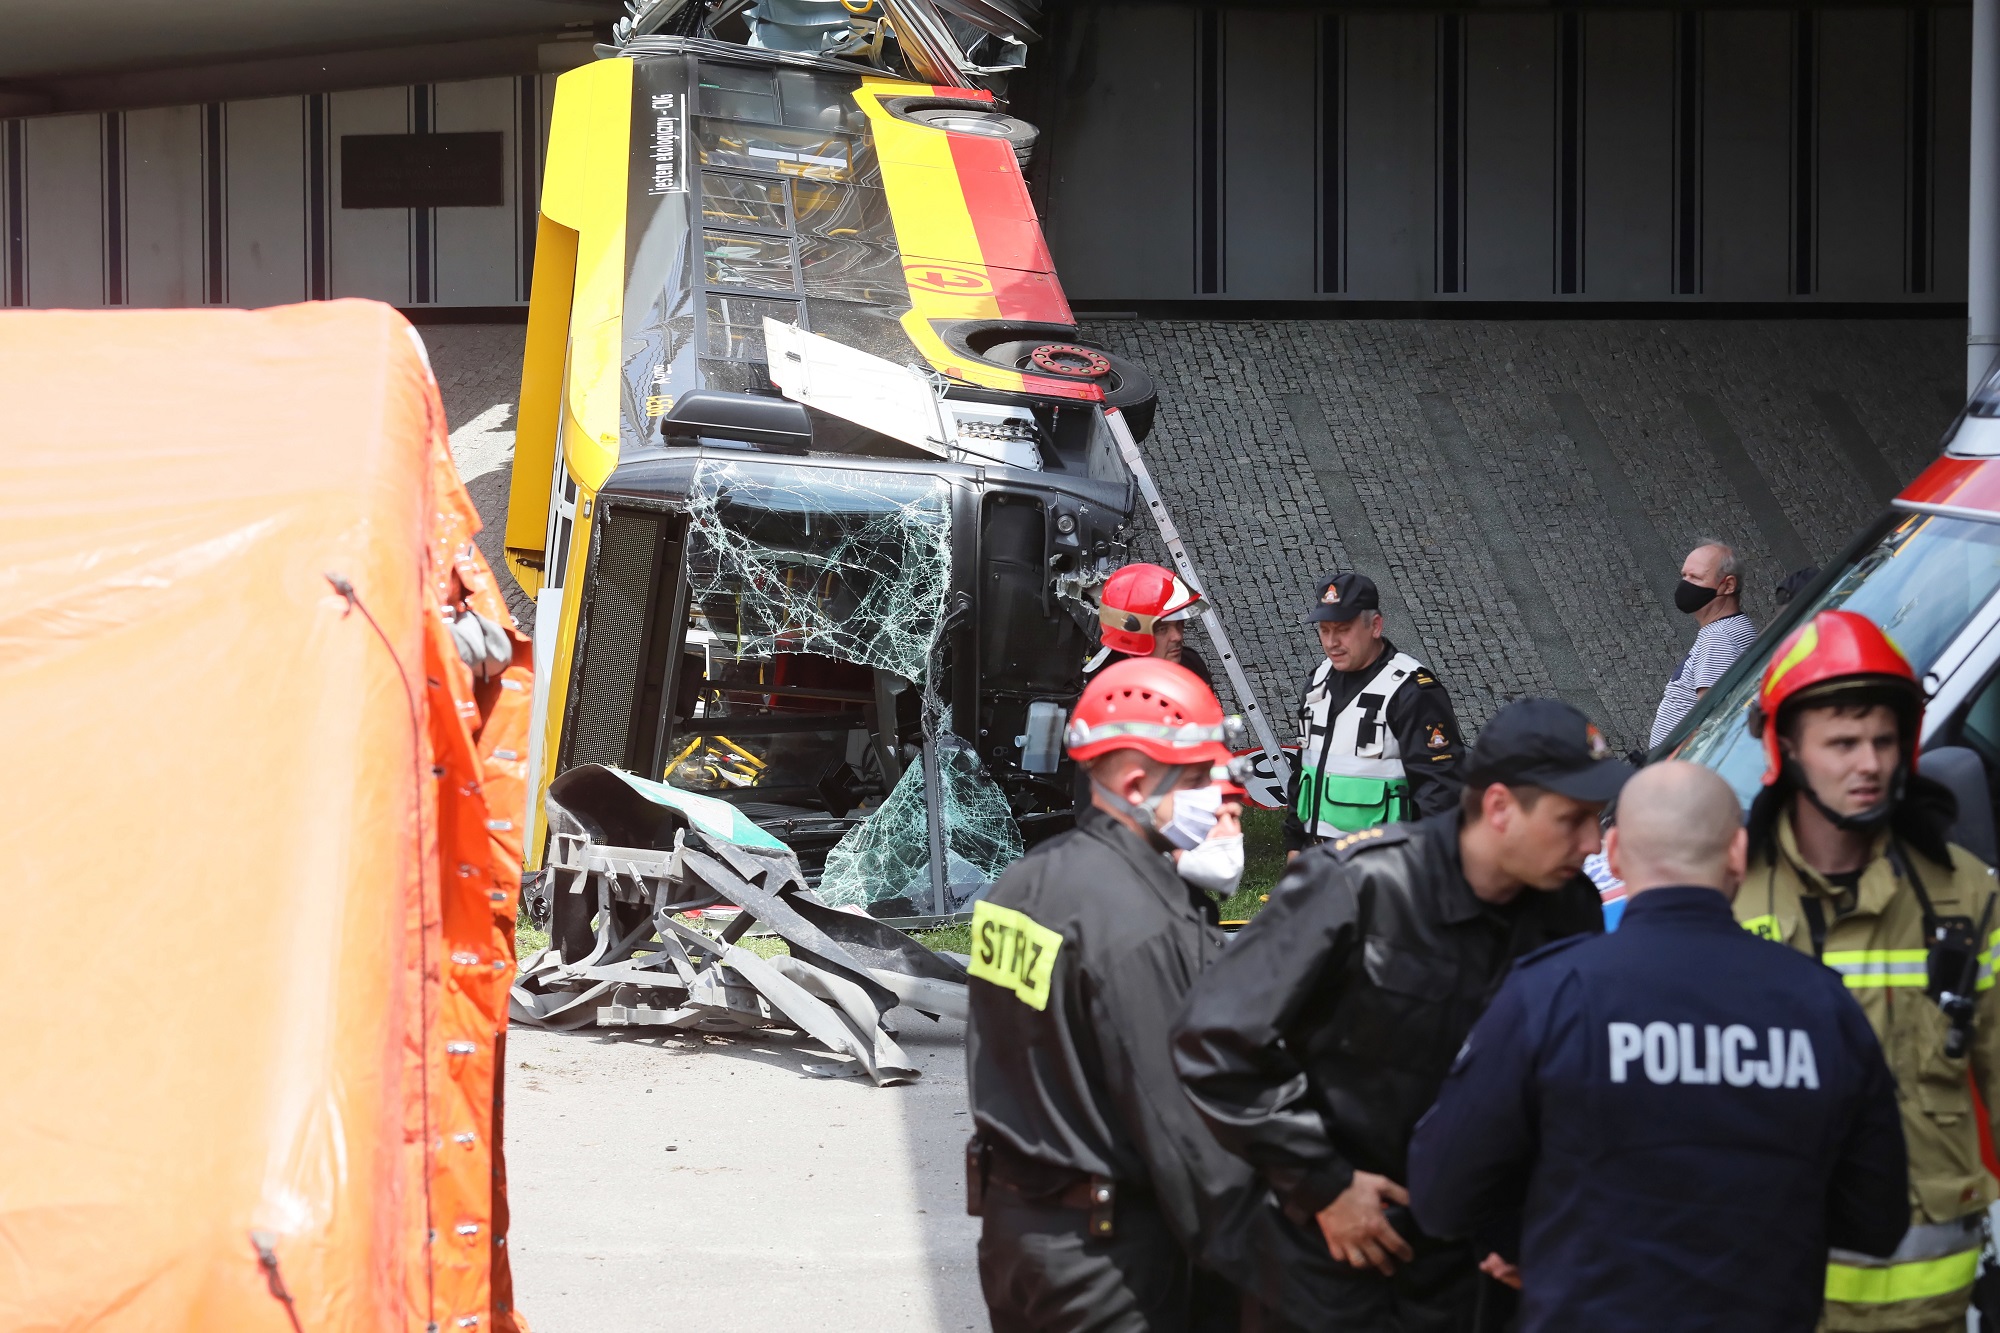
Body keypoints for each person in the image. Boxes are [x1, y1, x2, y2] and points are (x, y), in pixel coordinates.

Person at [1406, 761, 1908, 1331]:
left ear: (1614, 853)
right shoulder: (1820, 1004)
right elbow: (1877, 1220)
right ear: (1738, 852)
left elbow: (1442, 1195)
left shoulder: (1550, 993)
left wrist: (1534, 1237)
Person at [1172, 698, 1624, 1331]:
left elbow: (1562, 1081)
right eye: (1571, 820)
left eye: (1596, 819)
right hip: (1334, 1261)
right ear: (1499, 807)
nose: (1592, 843)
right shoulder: (1357, 886)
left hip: (1477, 1272)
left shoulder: (1568, 908)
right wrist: (1324, 1183)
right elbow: (1213, 1042)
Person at [968, 657, 1317, 1332]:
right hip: (1113, 1263)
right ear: (1134, 782)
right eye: (1198, 776)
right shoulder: (1139, 925)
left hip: (1017, 1239)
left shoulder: (1020, 887)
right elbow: (1180, 1128)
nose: (1221, 793)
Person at [1734, 608, 2000, 1333]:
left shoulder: (1965, 894)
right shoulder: (1728, 895)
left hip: (1929, 1305)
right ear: (1787, 745)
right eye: (1844, 742)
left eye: (1883, 740)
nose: (1870, 764)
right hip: (1771, 1296)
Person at [1284, 572, 1464, 856]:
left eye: (1343, 629)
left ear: (1375, 626)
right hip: (1316, 856)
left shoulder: (1411, 691)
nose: (1331, 642)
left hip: (1384, 861)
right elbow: (1305, 768)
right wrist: (1295, 843)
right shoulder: (1318, 682)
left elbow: (1440, 791)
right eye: (1324, 630)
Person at [1649, 539, 1757, 748]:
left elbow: (1711, 721)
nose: (1685, 584)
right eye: (1684, 575)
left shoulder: (1719, 639)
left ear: (1728, 585)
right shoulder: (1729, 628)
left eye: (1696, 578)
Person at [1090, 561, 1216, 691]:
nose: (1177, 636)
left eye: (1179, 624)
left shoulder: (1191, 664)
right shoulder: (1110, 692)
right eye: (1162, 629)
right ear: (1132, 635)